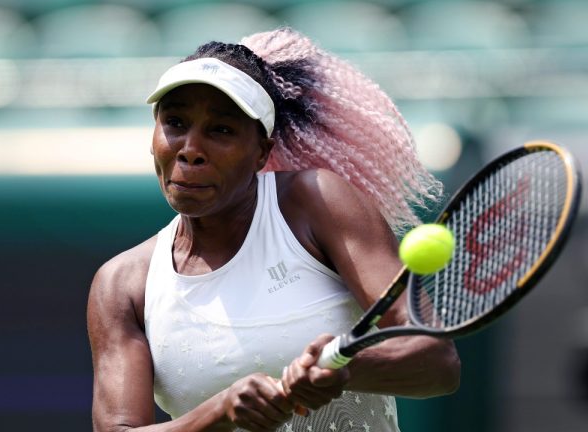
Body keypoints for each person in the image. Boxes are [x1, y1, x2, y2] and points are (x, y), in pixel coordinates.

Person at [87, 27, 461, 432]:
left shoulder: (317, 201)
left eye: (221, 130)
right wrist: (219, 412)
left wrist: (344, 369)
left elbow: (437, 361)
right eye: (175, 122)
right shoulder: (121, 284)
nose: (190, 149)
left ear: (261, 151)